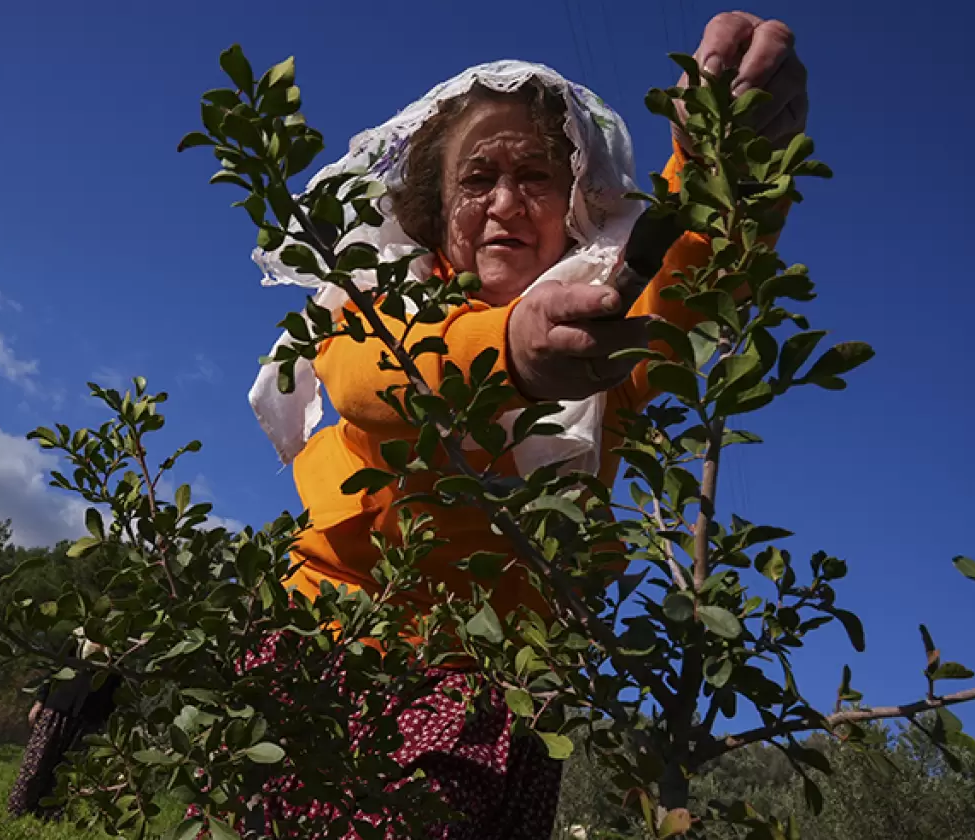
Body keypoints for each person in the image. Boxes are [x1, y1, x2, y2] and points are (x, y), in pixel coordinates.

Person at [244, 12, 807, 838]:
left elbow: (683, 290)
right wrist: (506, 348)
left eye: (536, 176)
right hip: (341, 649)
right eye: (479, 178)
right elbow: (369, 379)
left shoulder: (603, 316)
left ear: (577, 201)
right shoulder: (375, 299)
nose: (506, 202)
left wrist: (729, 156)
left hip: (513, 691)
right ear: (436, 209)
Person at [8, 628, 120, 820]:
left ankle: (48, 817)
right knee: (37, 762)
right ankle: (17, 810)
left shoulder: (120, 647)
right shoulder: (78, 635)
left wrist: (105, 720)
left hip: (89, 717)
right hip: (58, 705)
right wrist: (40, 700)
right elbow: (56, 666)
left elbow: (116, 688)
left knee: (65, 772)